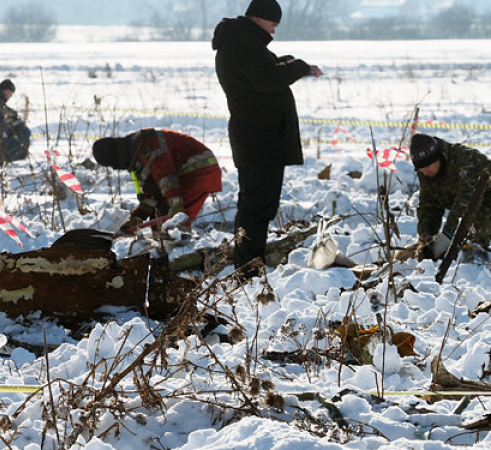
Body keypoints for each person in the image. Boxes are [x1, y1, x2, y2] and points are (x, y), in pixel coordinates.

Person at [212, 0, 323, 278]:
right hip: (260, 140)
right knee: (257, 208)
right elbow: (268, 79)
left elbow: (268, 68)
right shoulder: (244, 44)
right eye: (273, 21)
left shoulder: (242, 43)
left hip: (257, 139)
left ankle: (246, 264)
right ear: (259, 18)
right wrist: (298, 67)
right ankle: (248, 271)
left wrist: (295, 64)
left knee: (253, 205)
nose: (275, 27)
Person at [411, 133, 491, 258]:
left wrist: (447, 236)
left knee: (468, 232)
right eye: (420, 168)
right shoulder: (425, 172)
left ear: (438, 157)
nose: (425, 172)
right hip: (471, 205)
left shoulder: (466, 159)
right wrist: (426, 238)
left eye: (427, 166)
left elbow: (466, 202)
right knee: (450, 242)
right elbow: (429, 205)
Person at [92, 128, 222, 232]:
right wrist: (137, 217)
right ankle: (168, 255)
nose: (115, 168)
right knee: (159, 223)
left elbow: (165, 176)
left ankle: (183, 257)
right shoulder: (134, 155)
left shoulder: (146, 145)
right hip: (186, 174)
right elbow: (152, 192)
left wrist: (175, 203)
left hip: (198, 171)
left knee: (173, 224)